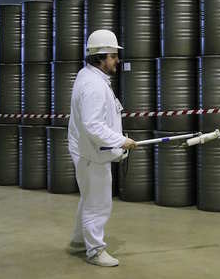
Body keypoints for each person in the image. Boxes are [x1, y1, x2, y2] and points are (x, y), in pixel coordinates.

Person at [67, 29, 137, 267]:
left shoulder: (88, 77)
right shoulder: (94, 86)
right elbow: (93, 125)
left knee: (89, 199)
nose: (117, 60)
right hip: (92, 154)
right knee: (98, 204)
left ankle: (79, 242)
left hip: (88, 151)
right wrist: (120, 140)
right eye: (113, 56)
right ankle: (95, 250)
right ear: (102, 57)